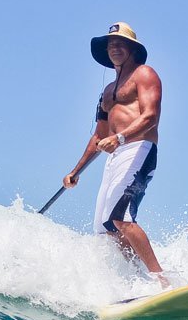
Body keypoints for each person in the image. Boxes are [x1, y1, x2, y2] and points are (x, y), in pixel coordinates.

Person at [63, 22, 167, 285]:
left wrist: (120, 137)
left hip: (139, 148)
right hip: (116, 156)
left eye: (120, 44)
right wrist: (76, 171)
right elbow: (99, 136)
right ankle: (137, 280)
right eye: (110, 45)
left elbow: (151, 117)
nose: (114, 48)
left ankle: (162, 280)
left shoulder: (145, 74)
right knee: (106, 227)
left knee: (121, 217)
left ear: (133, 49)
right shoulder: (107, 92)